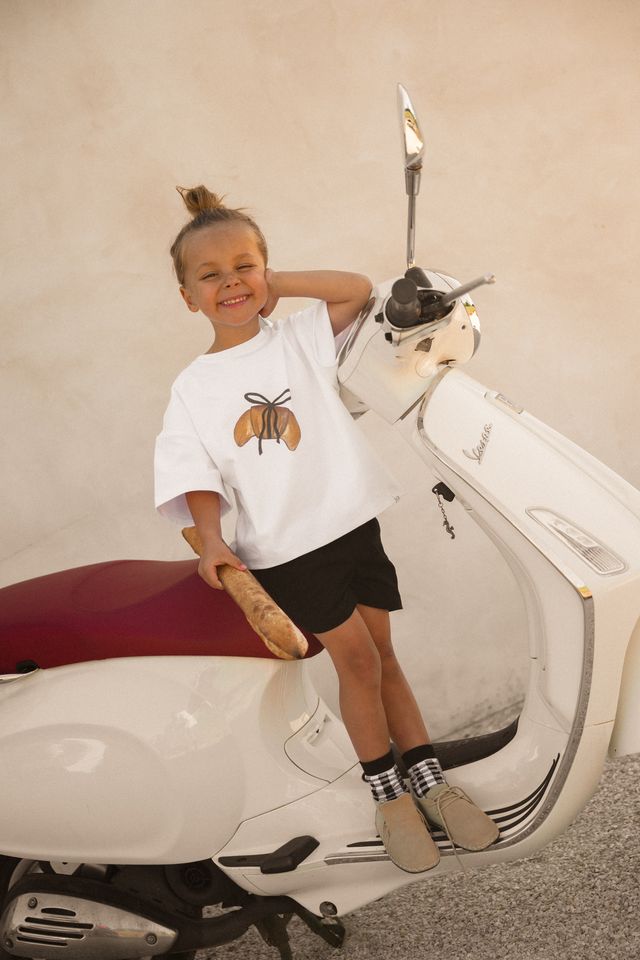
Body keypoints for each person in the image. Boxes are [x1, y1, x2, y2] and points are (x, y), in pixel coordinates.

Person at [154, 186, 499, 873]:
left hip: (348, 524)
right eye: (210, 274)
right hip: (285, 548)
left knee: (385, 656)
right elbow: (193, 465)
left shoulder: (299, 338)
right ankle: (387, 792)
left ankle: (429, 780)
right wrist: (212, 538)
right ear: (188, 297)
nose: (231, 283)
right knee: (359, 663)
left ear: (266, 273)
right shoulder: (194, 386)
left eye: (244, 265)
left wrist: (276, 283)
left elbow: (354, 289)